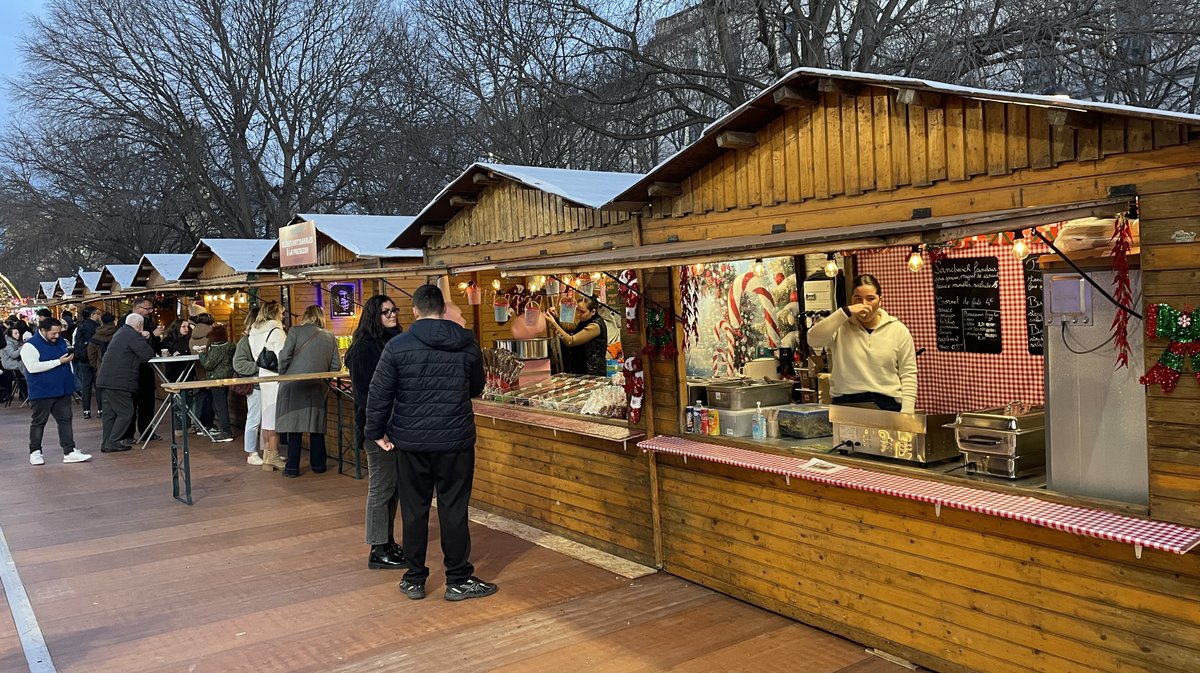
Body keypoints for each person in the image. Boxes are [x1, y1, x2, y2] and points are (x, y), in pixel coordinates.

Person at [365, 284, 495, 602]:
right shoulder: (467, 343)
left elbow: (379, 393)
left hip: (410, 442)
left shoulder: (397, 347)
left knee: (414, 509)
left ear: (415, 310)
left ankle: (414, 578)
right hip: (455, 440)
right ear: (443, 309)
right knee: (453, 508)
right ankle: (458, 579)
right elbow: (477, 386)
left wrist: (375, 431)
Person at [346, 295, 405, 570]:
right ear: (374, 316)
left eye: (394, 310)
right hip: (377, 429)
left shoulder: (391, 342)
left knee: (391, 488)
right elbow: (365, 394)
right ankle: (377, 548)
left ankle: (387, 541)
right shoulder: (364, 349)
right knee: (381, 487)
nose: (392, 315)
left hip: (393, 426)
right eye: (386, 312)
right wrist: (377, 430)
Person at [806, 274, 917, 414]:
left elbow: (908, 373)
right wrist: (844, 312)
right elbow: (813, 340)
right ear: (851, 300)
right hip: (847, 403)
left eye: (870, 299)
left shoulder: (898, 330)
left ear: (880, 300)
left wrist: (907, 412)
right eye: (858, 299)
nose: (864, 305)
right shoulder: (840, 326)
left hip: (887, 404)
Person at [276, 305, 341, 477]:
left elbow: (284, 357)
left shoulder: (295, 331)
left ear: (305, 315)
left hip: (294, 385)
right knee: (316, 427)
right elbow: (336, 366)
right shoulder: (329, 336)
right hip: (318, 387)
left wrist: (283, 374)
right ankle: (319, 466)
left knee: (294, 429)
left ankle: (292, 469)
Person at [21, 318, 92, 465]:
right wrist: (59, 362)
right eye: (53, 333)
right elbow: (32, 367)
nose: (57, 336)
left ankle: (69, 451)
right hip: (42, 391)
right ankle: (35, 452)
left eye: (59, 333)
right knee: (39, 422)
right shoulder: (30, 346)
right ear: (43, 330)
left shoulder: (60, 341)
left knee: (65, 420)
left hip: (63, 389)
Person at [96, 313, 156, 453]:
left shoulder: (120, 333)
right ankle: (113, 441)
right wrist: (145, 337)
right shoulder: (133, 335)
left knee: (109, 414)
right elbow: (147, 354)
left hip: (105, 379)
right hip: (120, 381)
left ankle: (107, 443)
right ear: (139, 325)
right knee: (126, 412)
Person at [233, 306, 274, 467]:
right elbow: (238, 364)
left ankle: (267, 452)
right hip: (256, 385)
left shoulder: (261, 338)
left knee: (267, 419)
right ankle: (251, 452)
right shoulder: (246, 340)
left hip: (266, 384)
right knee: (254, 419)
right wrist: (260, 366)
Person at [248, 301, 287, 469]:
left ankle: (267, 456)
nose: (283, 315)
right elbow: (284, 356)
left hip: (263, 376)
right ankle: (274, 455)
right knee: (275, 419)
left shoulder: (254, 332)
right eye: (281, 312)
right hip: (276, 377)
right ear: (275, 313)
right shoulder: (276, 331)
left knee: (267, 417)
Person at [126, 298, 164, 442]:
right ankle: (128, 435)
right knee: (131, 403)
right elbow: (132, 344)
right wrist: (152, 335)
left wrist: (157, 338)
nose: (150, 311)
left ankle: (147, 431)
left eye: (151, 308)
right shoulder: (126, 322)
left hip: (147, 368)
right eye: (147, 308)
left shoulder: (149, 321)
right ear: (137, 308)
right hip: (132, 369)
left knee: (147, 402)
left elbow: (153, 345)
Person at [546, 295, 608, 376]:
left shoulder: (595, 326)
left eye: (582, 312)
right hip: (581, 370)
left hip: (592, 374)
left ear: (593, 312)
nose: (578, 314)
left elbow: (571, 341)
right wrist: (556, 318)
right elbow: (568, 327)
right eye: (578, 310)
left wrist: (554, 324)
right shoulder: (584, 321)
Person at [197, 324, 235, 443]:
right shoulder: (230, 346)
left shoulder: (217, 348)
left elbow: (208, 365)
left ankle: (226, 431)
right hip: (226, 378)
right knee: (217, 404)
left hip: (216, 379)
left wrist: (202, 354)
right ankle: (225, 429)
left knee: (220, 406)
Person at [86, 313, 118, 418]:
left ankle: (101, 410)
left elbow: (91, 353)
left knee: (101, 389)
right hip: (118, 367)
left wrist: (96, 365)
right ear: (113, 321)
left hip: (102, 366)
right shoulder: (118, 333)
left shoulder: (96, 335)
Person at [189, 313, 216, 432]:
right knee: (210, 399)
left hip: (199, 371)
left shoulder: (193, 336)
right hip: (211, 371)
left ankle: (201, 423)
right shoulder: (211, 334)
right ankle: (207, 424)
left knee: (202, 397)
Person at [73, 307, 101, 418]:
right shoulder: (97, 327)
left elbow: (76, 342)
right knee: (98, 384)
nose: (98, 315)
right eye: (97, 313)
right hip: (95, 358)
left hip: (83, 359)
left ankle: (86, 411)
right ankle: (101, 410)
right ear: (92, 315)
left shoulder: (79, 327)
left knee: (86, 385)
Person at [2, 325, 25, 403]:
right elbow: (13, 355)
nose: (18, 335)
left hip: (14, 361)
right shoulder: (8, 343)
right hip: (8, 363)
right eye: (15, 333)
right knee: (23, 364)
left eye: (18, 333)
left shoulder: (15, 342)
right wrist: (21, 348)